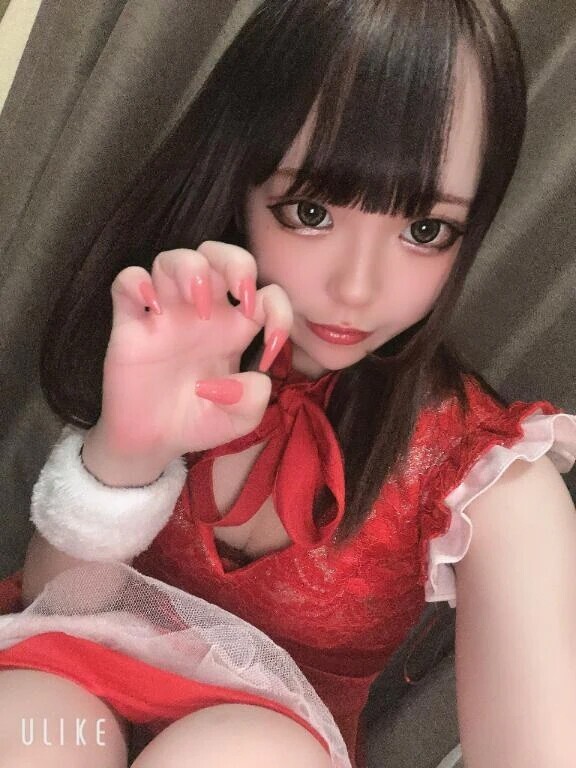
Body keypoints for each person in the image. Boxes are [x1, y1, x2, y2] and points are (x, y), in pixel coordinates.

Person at [0, 0, 575, 766]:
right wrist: (125, 452)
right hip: (65, 697)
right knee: (28, 721)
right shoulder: (179, 332)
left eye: (425, 230)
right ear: (238, 182)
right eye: (311, 211)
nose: (357, 289)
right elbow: (59, 612)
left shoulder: (490, 482)